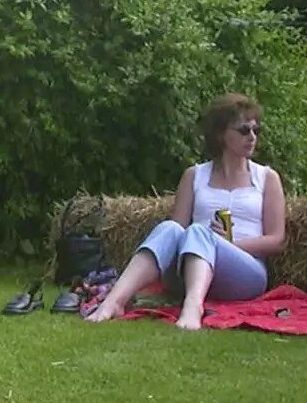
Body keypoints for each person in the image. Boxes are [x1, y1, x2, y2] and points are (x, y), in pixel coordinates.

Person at [87, 94, 287, 330]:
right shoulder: (195, 175)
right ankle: (114, 301)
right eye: (244, 130)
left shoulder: (266, 178)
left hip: (245, 272)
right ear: (221, 134)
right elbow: (178, 231)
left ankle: (193, 307)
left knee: (199, 233)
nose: (252, 137)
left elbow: (277, 241)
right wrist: (204, 239)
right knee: (170, 228)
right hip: (190, 269)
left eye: (256, 130)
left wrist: (226, 244)